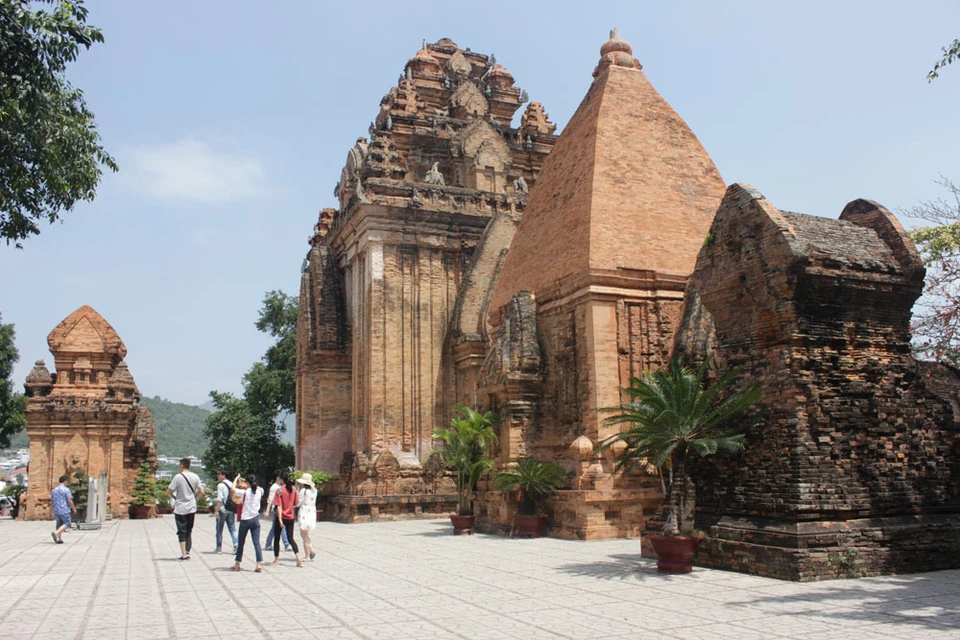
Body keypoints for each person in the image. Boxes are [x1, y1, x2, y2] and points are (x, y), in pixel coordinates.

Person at [167, 457, 204, 560]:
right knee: (189, 529)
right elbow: (201, 491)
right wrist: (195, 498)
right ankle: (188, 550)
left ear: (182, 465)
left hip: (180, 507)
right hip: (191, 507)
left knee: (181, 530)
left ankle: (183, 553)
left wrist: (175, 498)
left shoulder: (178, 477)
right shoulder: (195, 476)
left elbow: (169, 491)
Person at [231, 473, 264, 572]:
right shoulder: (260, 491)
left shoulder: (245, 492)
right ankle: (258, 564)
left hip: (245, 520)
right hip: (256, 519)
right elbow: (258, 488)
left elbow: (232, 489)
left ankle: (237, 563)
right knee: (256, 542)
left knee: (241, 542)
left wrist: (236, 479)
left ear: (247, 482)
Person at [270, 470, 302, 567]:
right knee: (291, 538)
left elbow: (278, 506)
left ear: (281, 479)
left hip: (281, 517)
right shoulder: (294, 490)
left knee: (277, 538)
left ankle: (276, 559)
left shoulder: (279, 490)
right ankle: (298, 557)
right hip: (290, 517)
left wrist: (279, 519)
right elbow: (297, 503)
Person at [263, 471, 291, 551]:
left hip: (281, 509)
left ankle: (268, 543)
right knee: (281, 527)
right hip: (276, 510)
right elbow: (270, 499)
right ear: (277, 478)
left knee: (275, 528)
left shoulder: (281, 487)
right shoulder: (274, 487)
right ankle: (286, 544)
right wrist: (267, 511)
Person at [214, 469, 238, 554]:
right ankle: (236, 544)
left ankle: (219, 547)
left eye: (219, 474)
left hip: (223, 509)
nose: (218, 476)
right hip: (231, 509)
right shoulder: (232, 484)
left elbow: (219, 499)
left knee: (219, 529)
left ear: (223, 475)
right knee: (232, 528)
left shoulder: (221, 485)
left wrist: (216, 511)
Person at [296, 473, 318, 561]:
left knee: (304, 534)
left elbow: (299, 502)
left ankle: (307, 555)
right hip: (312, 511)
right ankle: (311, 549)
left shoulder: (303, 491)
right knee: (305, 533)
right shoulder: (314, 490)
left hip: (304, 511)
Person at [50, 475, 76, 543]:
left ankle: (59, 539)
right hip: (64, 509)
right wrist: (73, 508)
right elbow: (69, 500)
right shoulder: (66, 490)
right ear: (65, 481)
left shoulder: (54, 490)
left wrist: (51, 510)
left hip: (56, 509)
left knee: (59, 524)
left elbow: (52, 501)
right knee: (67, 523)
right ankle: (56, 533)